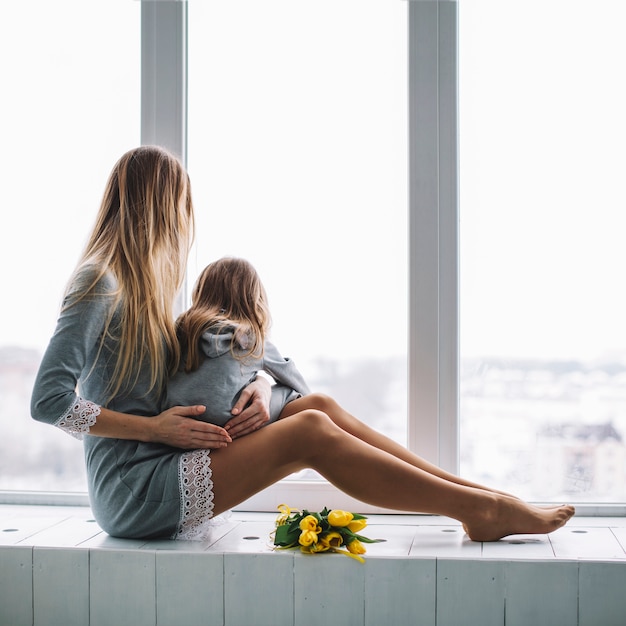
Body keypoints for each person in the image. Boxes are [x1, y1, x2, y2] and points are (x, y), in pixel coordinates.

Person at [31, 145, 575, 543]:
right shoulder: (98, 281)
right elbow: (48, 402)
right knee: (310, 430)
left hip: (165, 461)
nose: (184, 222)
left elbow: (201, 371)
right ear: (161, 206)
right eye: (180, 205)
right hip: (132, 490)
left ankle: (486, 501)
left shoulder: (148, 290)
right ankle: (482, 510)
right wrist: (152, 428)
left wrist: (261, 385)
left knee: (314, 405)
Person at [165, 257, 310, 427]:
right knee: (291, 392)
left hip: (181, 418)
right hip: (229, 418)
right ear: (254, 297)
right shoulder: (249, 337)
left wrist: (258, 381)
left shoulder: (182, 329)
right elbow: (294, 380)